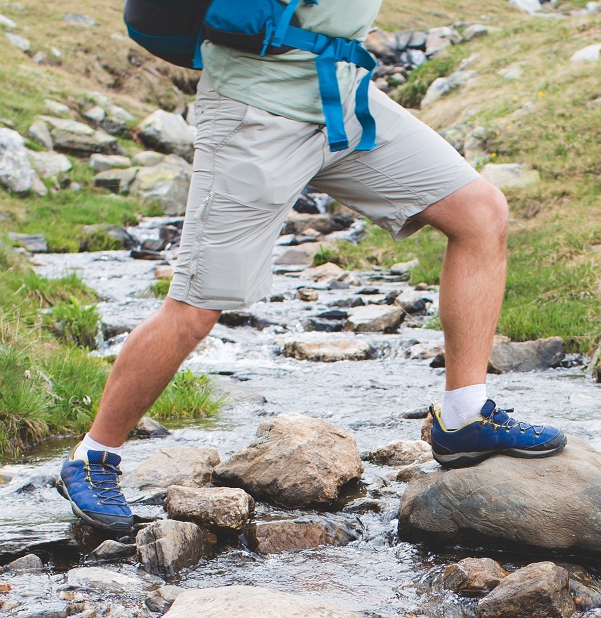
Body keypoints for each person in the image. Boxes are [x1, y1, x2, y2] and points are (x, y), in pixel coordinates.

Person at [57, 0, 566, 531]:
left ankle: (463, 416)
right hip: (255, 110)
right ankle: (93, 457)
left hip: (343, 98)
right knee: (196, 308)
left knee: (480, 212)